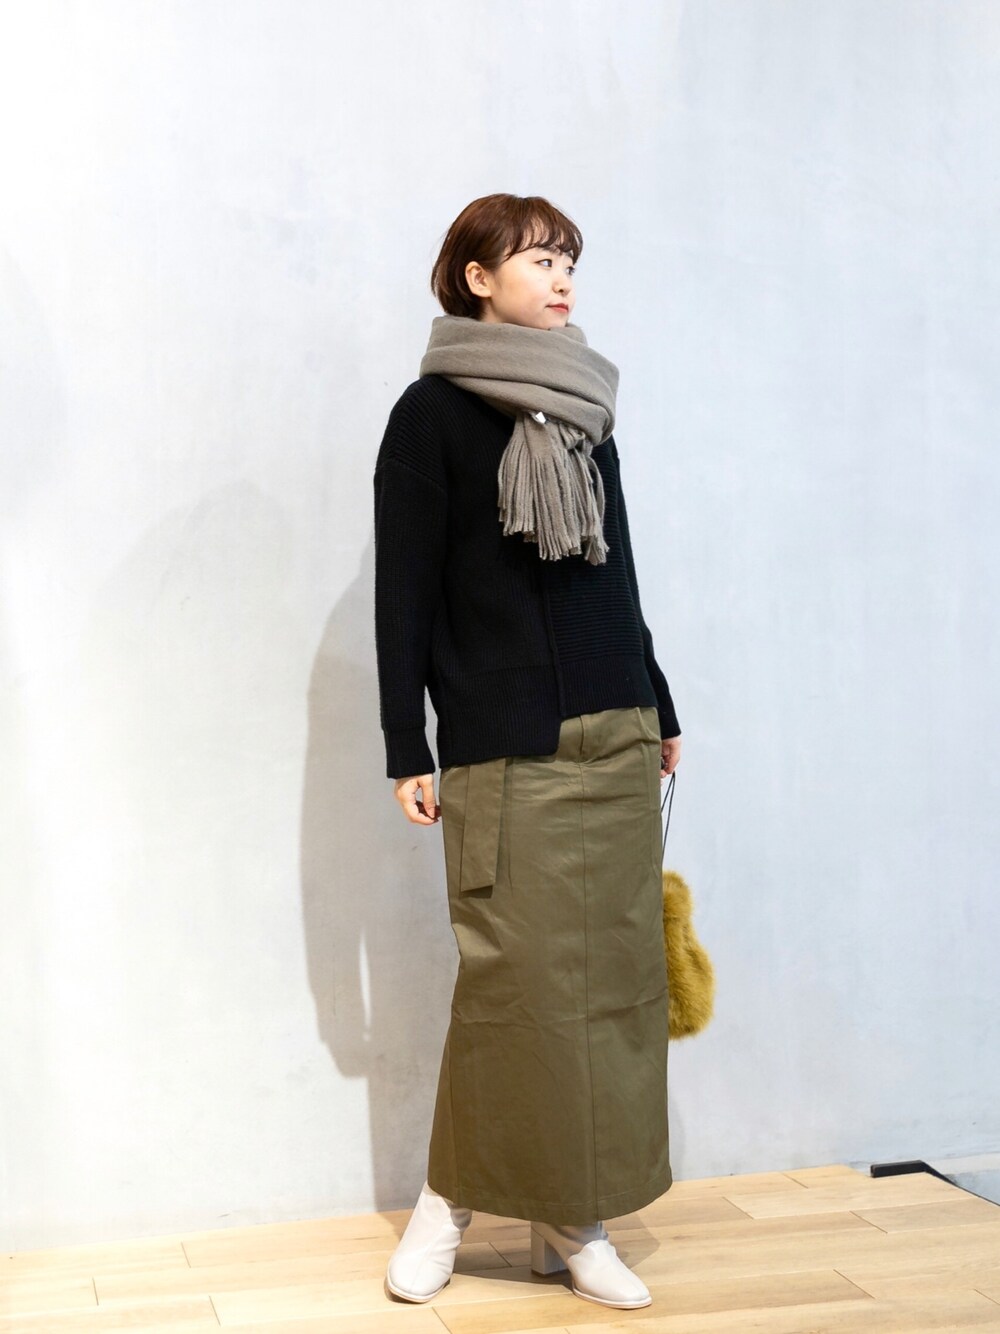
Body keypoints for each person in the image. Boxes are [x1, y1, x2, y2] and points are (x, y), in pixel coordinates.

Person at [372, 193, 682, 1311]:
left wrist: (658, 701)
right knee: (514, 988)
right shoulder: (431, 415)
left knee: (612, 987)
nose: (562, 280)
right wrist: (405, 740)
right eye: (540, 259)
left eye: (568, 262)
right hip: (505, 739)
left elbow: (615, 571)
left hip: (614, 727)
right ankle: (446, 1204)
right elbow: (404, 587)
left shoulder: (585, 405)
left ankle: (572, 1216)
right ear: (477, 277)